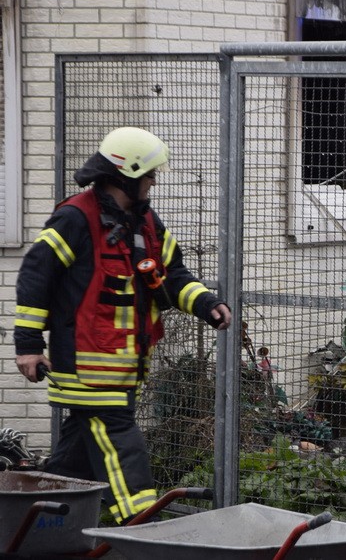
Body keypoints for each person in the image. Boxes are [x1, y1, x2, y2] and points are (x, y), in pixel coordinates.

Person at [14, 127, 232, 523]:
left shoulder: (145, 223)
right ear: (127, 174)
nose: (153, 182)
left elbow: (173, 274)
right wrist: (28, 344)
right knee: (122, 445)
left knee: (74, 460)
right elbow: (35, 275)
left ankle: (34, 527)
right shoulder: (75, 218)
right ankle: (141, 528)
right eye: (149, 175)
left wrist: (206, 303)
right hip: (85, 368)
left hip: (124, 367)